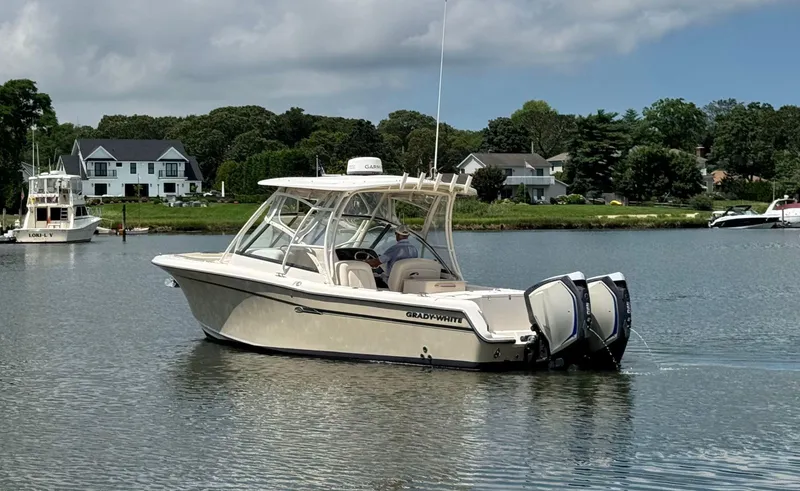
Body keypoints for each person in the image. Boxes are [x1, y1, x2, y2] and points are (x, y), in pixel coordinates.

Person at [364, 224, 418, 288]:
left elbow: (375, 263)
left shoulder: (395, 249)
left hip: (390, 283)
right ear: (408, 235)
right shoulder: (414, 249)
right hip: (406, 283)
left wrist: (362, 262)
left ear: (396, 234)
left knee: (370, 279)